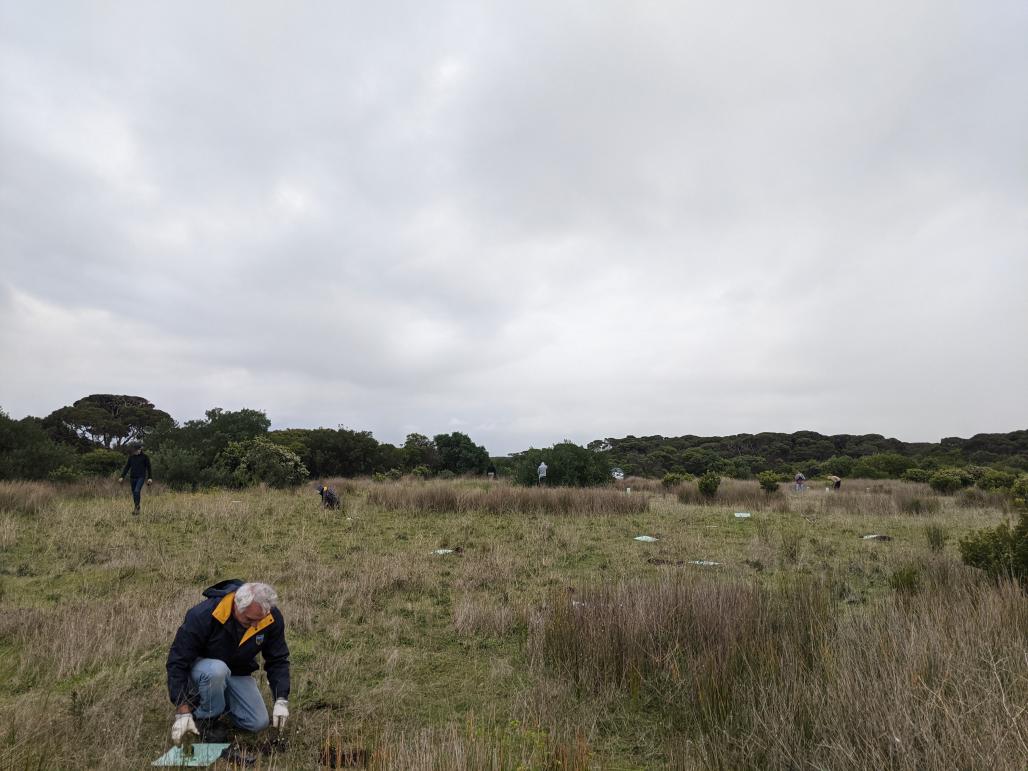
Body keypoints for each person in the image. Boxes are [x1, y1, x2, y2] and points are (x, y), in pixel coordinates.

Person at [166, 580, 291, 744]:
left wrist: (281, 699)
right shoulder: (203, 615)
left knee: (258, 723)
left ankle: (221, 702)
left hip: (237, 672)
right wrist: (182, 709)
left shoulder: (270, 617)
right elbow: (177, 661)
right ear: (236, 607)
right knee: (218, 671)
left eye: (260, 620)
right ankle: (204, 720)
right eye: (249, 620)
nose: (255, 626)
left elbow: (278, 659)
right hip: (203, 672)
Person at [119, 442, 152, 514]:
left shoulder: (145, 457)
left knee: (137, 491)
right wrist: (122, 476)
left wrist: (149, 478)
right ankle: (137, 507)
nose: (134, 451)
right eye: (134, 450)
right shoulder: (131, 457)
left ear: (140, 449)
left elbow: (149, 468)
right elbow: (127, 467)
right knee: (134, 493)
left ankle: (137, 508)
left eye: (136, 450)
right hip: (132, 478)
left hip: (141, 477)